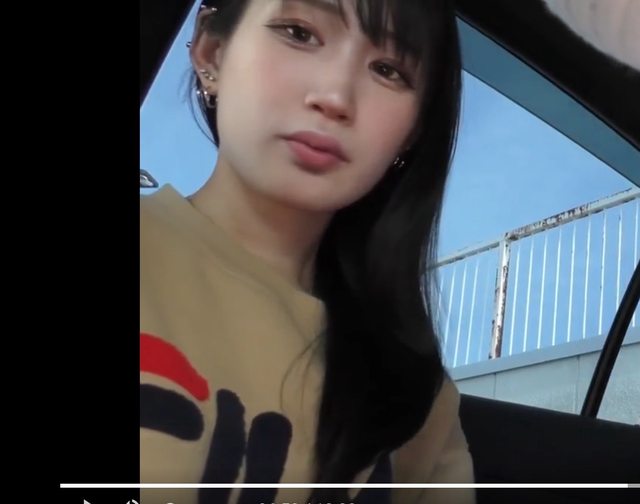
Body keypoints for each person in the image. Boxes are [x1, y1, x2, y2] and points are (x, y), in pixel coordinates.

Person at [140, 0, 475, 503]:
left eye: (388, 70)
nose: (335, 97)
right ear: (212, 51)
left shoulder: (418, 394)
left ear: (414, 131)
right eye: (298, 33)